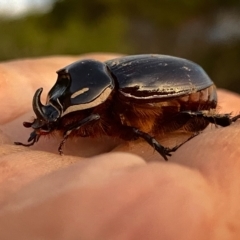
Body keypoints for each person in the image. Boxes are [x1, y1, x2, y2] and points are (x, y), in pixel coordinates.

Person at [0, 54, 240, 239]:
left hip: (191, 92)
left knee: (190, 116)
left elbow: (126, 127)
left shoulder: (120, 96)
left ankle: (227, 121)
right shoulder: (98, 91)